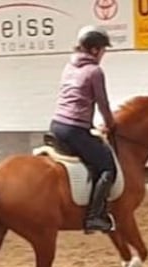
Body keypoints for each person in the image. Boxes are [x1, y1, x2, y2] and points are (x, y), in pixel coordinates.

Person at [50, 25, 117, 234]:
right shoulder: (94, 71)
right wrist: (111, 124)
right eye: (103, 50)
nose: (103, 54)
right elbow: (102, 104)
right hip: (74, 130)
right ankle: (94, 216)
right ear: (95, 50)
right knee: (108, 167)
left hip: (57, 126)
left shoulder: (69, 66)